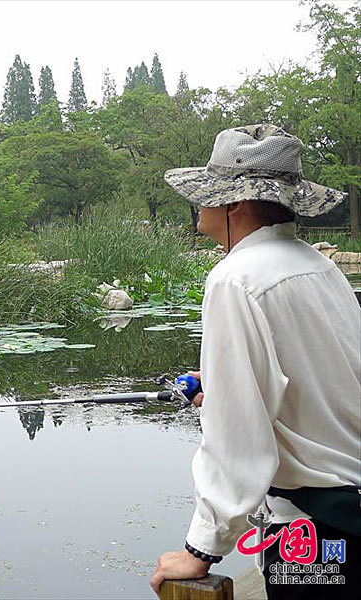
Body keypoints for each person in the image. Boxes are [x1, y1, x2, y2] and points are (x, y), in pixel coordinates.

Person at [149, 124, 361, 599]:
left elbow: (237, 437)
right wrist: (225, 382)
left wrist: (201, 549)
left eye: (206, 193)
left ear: (235, 203)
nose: (198, 205)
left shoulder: (234, 279)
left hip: (314, 536)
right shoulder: (318, 265)